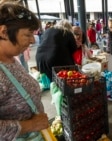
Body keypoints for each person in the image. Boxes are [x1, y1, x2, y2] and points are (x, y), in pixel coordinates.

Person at [0, 2, 49, 140]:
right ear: (4, 32)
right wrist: (31, 125)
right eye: (27, 35)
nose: (33, 40)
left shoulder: (10, 60)